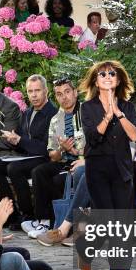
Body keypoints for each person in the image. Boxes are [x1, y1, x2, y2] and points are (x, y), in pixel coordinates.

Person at [78, 60, 136, 270]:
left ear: (119, 79)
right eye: (102, 74)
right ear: (96, 80)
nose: (107, 76)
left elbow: (134, 137)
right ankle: (85, 250)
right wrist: (107, 116)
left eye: (112, 73)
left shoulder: (128, 107)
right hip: (97, 169)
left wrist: (119, 114)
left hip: (122, 169)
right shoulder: (87, 108)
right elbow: (93, 139)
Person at [22, 77, 85, 239]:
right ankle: (44, 220)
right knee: (39, 172)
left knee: (58, 180)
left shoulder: (87, 113)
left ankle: (64, 223)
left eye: (67, 92)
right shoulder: (56, 119)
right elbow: (52, 156)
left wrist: (78, 153)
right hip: (64, 161)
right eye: (59, 94)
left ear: (75, 93)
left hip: (84, 160)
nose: (64, 97)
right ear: (55, 97)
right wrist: (62, 149)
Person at [0, 75, 57, 228]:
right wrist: (13, 140)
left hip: (44, 158)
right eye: (30, 91)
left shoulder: (52, 114)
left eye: (37, 91)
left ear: (46, 91)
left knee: (14, 168)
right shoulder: (27, 113)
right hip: (26, 157)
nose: (34, 95)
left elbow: (45, 148)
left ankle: (27, 215)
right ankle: (11, 214)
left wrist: (20, 140)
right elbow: (20, 142)